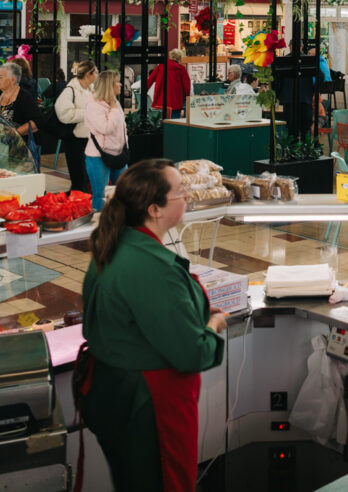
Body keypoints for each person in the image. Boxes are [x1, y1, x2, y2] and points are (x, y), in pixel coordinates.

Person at [81, 160, 227, 492]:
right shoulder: (152, 266)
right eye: (180, 191)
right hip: (150, 408)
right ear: (154, 209)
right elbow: (191, 352)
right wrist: (213, 325)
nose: (188, 195)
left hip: (114, 394)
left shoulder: (117, 243)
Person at [85, 70, 129, 210]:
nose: (120, 84)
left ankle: (120, 222)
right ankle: (99, 227)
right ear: (109, 85)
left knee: (125, 191)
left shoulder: (114, 102)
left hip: (118, 154)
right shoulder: (94, 105)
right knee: (101, 195)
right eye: (117, 81)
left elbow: (121, 127)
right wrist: (115, 110)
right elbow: (106, 128)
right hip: (98, 156)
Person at [55, 60, 98, 199]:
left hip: (88, 138)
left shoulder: (90, 90)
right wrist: (87, 112)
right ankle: (79, 205)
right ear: (88, 74)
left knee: (86, 176)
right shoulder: (70, 90)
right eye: (95, 72)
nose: (97, 75)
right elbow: (64, 114)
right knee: (78, 177)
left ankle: (81, 202)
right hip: (74, 139)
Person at [0, 61, 44, 172]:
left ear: (13, 79)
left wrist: (15, 131)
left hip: (20, 154)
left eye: (1, 77)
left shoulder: (24, 97)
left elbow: (38, 122)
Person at [147, 49, 192, 118]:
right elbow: (187, 86)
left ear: (170, 56)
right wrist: (187, 96)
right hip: (176, 101)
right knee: (174, 123)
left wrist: (145, 90)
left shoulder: (161, 66)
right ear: (180, 58)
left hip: (160, 101)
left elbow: (150, 80)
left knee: (160, 122)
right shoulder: (181, 69)